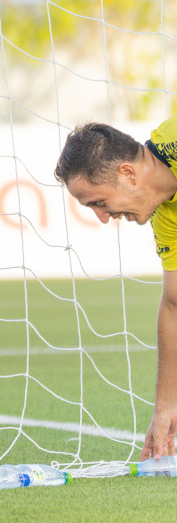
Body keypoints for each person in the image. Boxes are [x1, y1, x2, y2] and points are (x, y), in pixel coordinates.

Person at [56, 120, 177, 460]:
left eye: (98, 202)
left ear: (127, 173)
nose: (103, 218)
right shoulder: (166, 214)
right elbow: (173, 304)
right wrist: (165, 408)